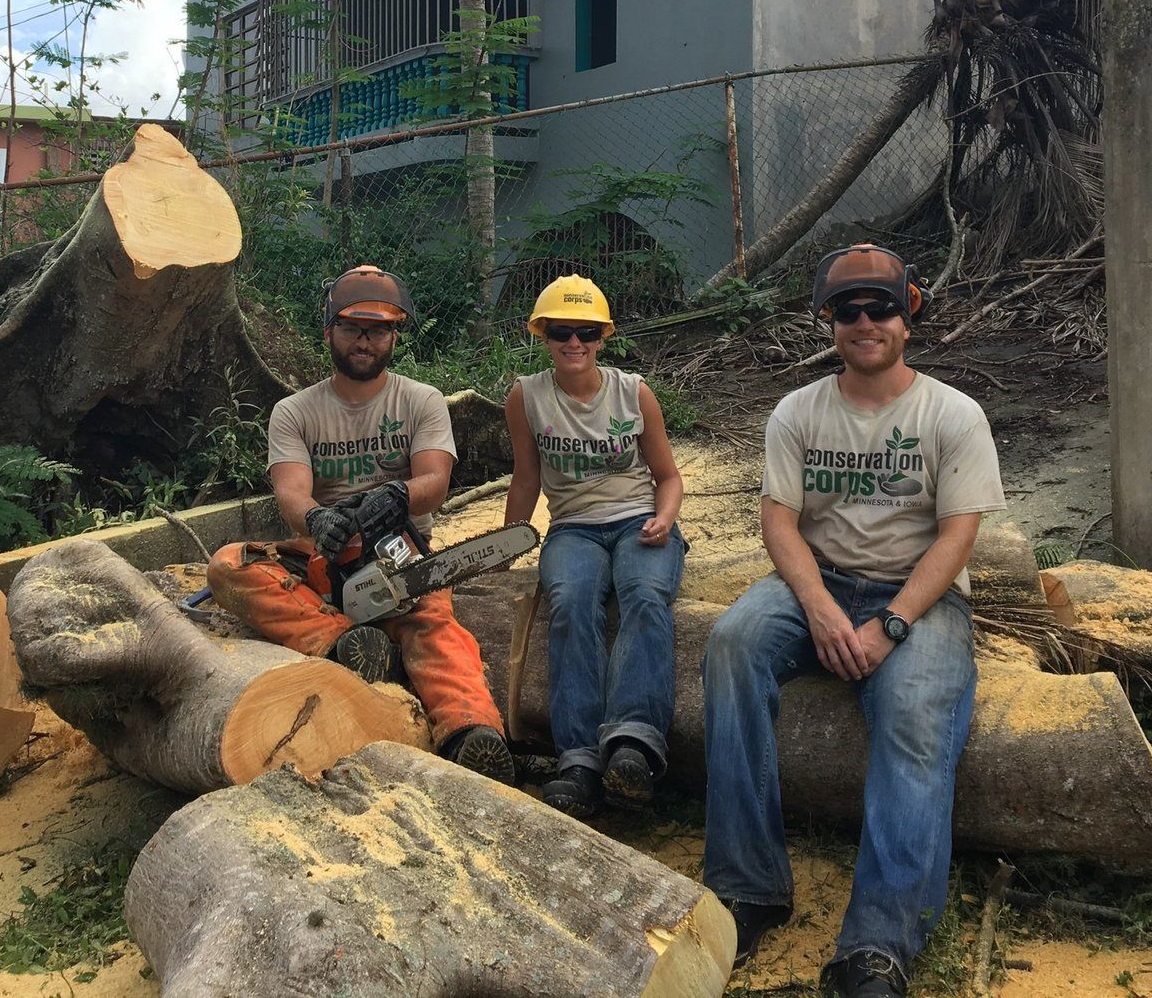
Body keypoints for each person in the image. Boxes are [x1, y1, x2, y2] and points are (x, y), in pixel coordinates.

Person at [702, 243, 1005, 998]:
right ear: (828, 320)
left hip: (918, 596)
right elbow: (779, 523)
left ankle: (879, 943)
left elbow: (957, 537)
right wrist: (822, 609)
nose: (866, 322)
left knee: (911, 718)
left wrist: (889, 626)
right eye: (848, 310)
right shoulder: (798, 411)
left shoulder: (952, 414)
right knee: (732, 642)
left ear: (910, 314)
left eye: (881, 308)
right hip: (820, 581)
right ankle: (748, 888)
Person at [206, 264, 515, 782]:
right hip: (324, 554)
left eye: (378, 329)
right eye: (352, 327)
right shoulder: (295, 411)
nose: (365, 340)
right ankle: (343, 643)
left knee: (433, 624)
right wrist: (316, 518)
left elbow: (436, 480)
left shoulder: (420, 401)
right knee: (230, 566)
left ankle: (472, 730)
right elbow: (290, 490)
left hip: (399, 550)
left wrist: (398, 494)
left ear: (394, 335)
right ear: (329, 331)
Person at [504, 274, 684, 816]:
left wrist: (665, 517)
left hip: (639, 519)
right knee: (571, 602)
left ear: (603, 336)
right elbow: (526, 478)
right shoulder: (526, 397)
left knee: (646, 594)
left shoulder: (633, 392)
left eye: (585, 331)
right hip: (573, 527)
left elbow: (668, 476)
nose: (574, 343)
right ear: (544, 335)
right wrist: (508, 541)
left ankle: (632, 742)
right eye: (562, 331)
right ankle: (578, 758)